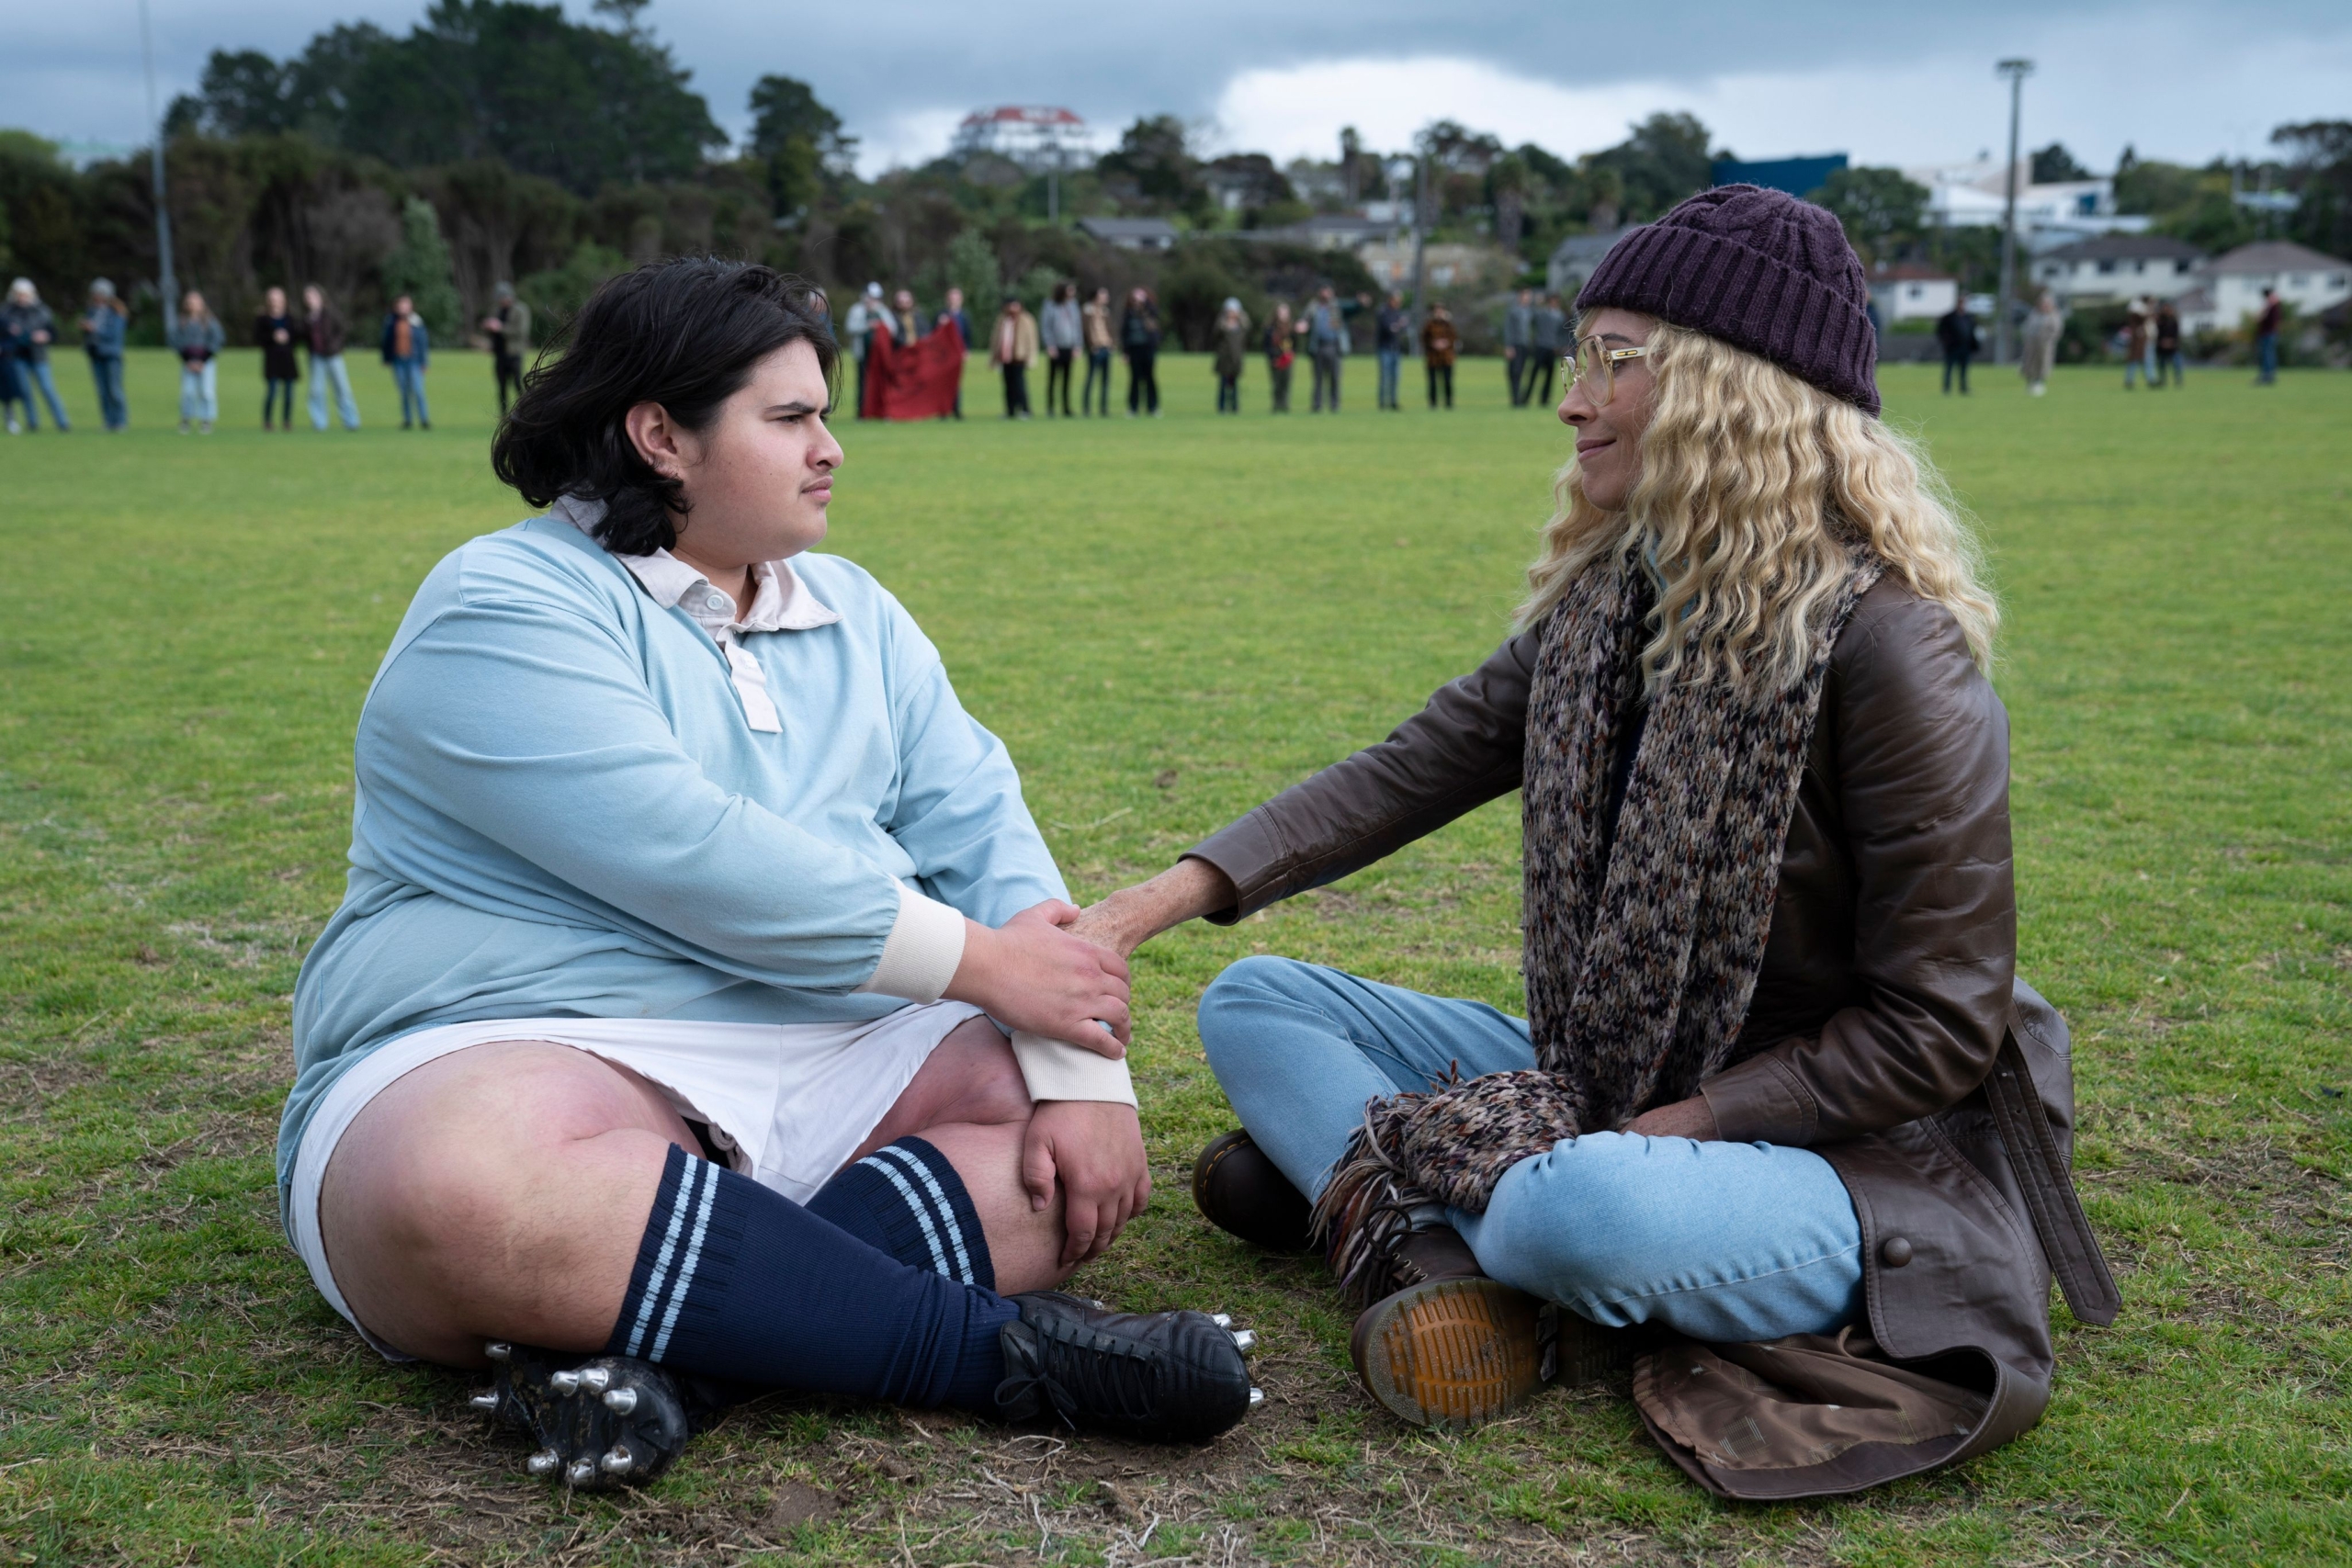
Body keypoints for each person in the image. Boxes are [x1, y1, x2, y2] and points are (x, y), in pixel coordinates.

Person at [1073, 186, 2114, 1499]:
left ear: (1743, 393)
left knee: (1578, 1207)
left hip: (1856, 1159)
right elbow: (1405, 769)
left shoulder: (1895, 650)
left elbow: (1938, 1030)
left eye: (1620, 358)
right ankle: (1444, 1259)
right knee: (1257, 1001)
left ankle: (1399, 1207)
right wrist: (1133, 910)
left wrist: (1668, 1132)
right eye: (1585, 356)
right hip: (1610, 1078)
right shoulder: (1612, 607)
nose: (1575, 397)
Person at [287, 257, 1261, 1495]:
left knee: (1049, 1138)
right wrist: (983, 965)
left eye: (826, 414)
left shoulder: (856, 609)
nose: (833, 448)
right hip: (540, 1041)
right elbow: (688, 852)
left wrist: (1083, 1071)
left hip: (830, 1041)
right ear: (660, 436)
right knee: (458, 1185)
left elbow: (986, 831)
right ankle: (996, 1355)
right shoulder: (504, 600)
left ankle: (687, 1362)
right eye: (790, 417)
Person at [3, 279, 73, 432]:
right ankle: (32, 422)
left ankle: (62, 422)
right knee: (25, 390)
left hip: (38, 355)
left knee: (47, 388)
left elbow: (53, 333)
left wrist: (45, 336)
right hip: (18, 355)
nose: (22, 297)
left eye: (25, 294)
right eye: (19, 294)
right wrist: (14, 334)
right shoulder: (8, 311)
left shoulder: (41, 310)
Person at [304, 284, 361, 431]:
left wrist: (335, 347)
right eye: (308, 297)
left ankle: (351, 421)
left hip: (333, 356)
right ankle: (320, 422)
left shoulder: (330, 313)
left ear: (321, 297)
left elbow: (342, 331)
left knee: (342, 389)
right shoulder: (308, 318)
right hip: (316, 357)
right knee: (316, 391)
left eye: (313, 296)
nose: (310, 300)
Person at [173, 290, 226, 434]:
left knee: (207, 392)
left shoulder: (210, 322)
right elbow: (176, 342)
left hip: (206, 363)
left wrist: (203, 360)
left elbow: (217, 340)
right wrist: (188, 360)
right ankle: (186, 419)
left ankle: (206, 420)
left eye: (196, 302)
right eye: (190, 302)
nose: (193, 305)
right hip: (188, 363)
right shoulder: (182, 322)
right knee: (188, 392)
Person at [81, 279, 130, 431]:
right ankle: (108, 422)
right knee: (102, 391)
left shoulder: (117, 312)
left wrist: (94, 329)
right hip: (96, 355)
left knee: (114, 390)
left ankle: (120, 421)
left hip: (111, 356)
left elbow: (114, 334)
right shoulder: (91, 311)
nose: (97, 296)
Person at [381, 294, 432, 429]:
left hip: (414, 360)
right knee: (404, 391)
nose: (403, 307)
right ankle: (408, 420)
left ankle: (424, 419)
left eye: (406, 304)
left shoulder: (416, 321)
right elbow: (386, 341)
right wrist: (386, 358)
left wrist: (424, 362)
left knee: (418, 390)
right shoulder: (391, 321)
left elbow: (422, 343)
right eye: (400, 305)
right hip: (398, 360)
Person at [483, 283, 534, 416]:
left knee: (518, 383)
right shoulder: (497, 310)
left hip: (514, 353)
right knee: (501, 386)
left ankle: (525, 410)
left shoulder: (520, 310)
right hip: (500, 353)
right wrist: (489, 327)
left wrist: (500, 328)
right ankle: (503, 414)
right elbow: (494, 332)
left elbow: (522, 331)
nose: (501, 301)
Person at [255, 287, 302, 431]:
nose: (276, 302)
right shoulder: (263, 319)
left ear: (284, 301)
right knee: (272, 392)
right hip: (272, 360)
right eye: (273, 299)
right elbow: (258, 338)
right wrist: (273, 337)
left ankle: (287, 421)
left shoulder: (290, 318)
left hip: (287, 360)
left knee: (289, 394)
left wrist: (288, 337)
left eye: (279, 299)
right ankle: (267, 421)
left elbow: (298, 336)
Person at [988, 294, 1037, 419]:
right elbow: (996, 339)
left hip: (1019, 357)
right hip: (1005, 357)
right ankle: (1010, 410)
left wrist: (1030, 356)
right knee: (1008, 385)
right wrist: (994, 356)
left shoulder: (1026, 319)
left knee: (1019, 384)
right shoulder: (1002, 320)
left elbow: (1031, 339)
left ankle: (1025, 409)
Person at [1038, 282, 1080, 418]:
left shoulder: (1073, 306)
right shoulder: (1050, 305)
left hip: (1069, 347)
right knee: (1052, 379)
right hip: (1056, 347)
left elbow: (1077, 327)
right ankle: (1050, 407)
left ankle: (1066, 407)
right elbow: (1046, 326)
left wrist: (1077, 345)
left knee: (1067, 379)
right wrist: (1050, 345)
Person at [844, 282, 885, 417]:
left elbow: (892, 327)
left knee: (880, 382)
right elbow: (850, 328)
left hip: (879, 355)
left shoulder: (881, 310)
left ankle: (880, 410)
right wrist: (867, 326)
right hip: (863, 353)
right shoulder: (856, 310)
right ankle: (862, 412)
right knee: (863, 382)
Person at [1121, 288, 1161, 417]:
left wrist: (1145, 302)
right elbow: (1124, 334)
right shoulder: (1128, 313)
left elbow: (1156, 316)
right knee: (1134, 379)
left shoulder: (1150, 312)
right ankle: (1133, 408)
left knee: (1150, 378)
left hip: (1148, 349)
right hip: (1134, 350)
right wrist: (1125, 352)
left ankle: (1153, 407)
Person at [935, 288, 975, 421]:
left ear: (961, 300)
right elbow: (934, 334)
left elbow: (968, 335)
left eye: (956, 299)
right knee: (943, 382)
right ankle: (943, 411)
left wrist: (967, 350)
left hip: (958, 354)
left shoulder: (964, 316)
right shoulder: (941, 315)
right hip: (944, 354)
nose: (954, 301)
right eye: (951, 298)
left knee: (956, 383)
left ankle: (956, 410)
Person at [1305, 287, 1346, 413]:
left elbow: (1352, 307)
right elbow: (1305, 320)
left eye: (1329, 291)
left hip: (1333, 346)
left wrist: (1360, 302)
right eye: (1324, 291)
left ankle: (1334, 404)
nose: (1327, 294)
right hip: (1318, 347)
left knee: (1334, 377)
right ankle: (1317, 405)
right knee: (1318, 378)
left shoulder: (1337, 307)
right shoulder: (1313, 307)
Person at [1526, 293, 1568, 407]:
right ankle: (1525, 398)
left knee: (1549, 376)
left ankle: (1544, 400)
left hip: (1552, 348)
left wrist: (1560, 345)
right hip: (1541, 346)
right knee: (1534, 374)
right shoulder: (1542, 313)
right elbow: (1532, 316)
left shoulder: (1560, 315)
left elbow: (1562, 333)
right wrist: (1537, 303)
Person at [2019, 290, 2062, 397]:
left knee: (2043, 363)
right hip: (2032, 343)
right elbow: (2027, 327)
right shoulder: (2034, 313)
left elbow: (2056, 330)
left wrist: (2048, 338)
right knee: (2029, 363)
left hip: (2045, 344)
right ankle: (2030, 383)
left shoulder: (2053, 315)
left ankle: (2039, 383)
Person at [1080, 287, 1114, 417]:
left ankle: (1104, 409)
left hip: (1106, 347)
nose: (1106, 298)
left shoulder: (1105, 311)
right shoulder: (1087, 311)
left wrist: (1112, 343)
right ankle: (1087, 408)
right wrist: (1090, 345)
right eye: (1103, 295)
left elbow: (1110, 329)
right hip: (1095, 349)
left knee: (1106, 380)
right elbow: (1085, 329)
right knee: (1091, 378)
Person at [1374, 292, 1409, 411]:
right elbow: (1389, 329)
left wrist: (1399, 326)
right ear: (1390, 300)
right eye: (1396, 300)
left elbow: (1401, 328)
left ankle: (1393, 401)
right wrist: (1399, 325)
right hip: (1385, 349)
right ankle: (1383, 402)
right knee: (1385, 377)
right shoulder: (1383, 312)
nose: (1398, 303)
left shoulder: (1397, 313)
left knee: (1395, 377)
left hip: (1396, 349)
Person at [1936, 294, 1977, 395]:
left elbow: (1972, 331)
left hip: (1965, 347)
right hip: (1953, 347)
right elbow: (1941, 331)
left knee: (1964, 369)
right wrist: (1947, 342)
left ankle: (1963, 387)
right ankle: (1947, 388)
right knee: (1949, 368)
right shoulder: (1949, 317)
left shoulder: (1968, 317)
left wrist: (1973, 344)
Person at [1213, 298, 1248, 413]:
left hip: (1236, 359)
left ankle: (1234, 406)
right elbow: (1215, 334)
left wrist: (1241, 318)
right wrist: (1224, 325)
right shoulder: (1222, 324)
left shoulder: (1241, 324)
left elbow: (1247, 328)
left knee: (1235, 385)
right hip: (1224, 359)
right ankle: (1221, 407)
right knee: (1223, 384)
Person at [1419, 303, 1458, 409]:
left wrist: (1445, 343)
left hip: (1446, 357)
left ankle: (1448, 402)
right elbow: (1423, 338)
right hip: (1433, 358)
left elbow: (1454, 337)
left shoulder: (1448, 325)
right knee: (1432, 382)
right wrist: (1433, 343)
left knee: (1447, 380)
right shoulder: (1429, 325)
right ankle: (1433, 403)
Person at [1502, 288, 1535, 406]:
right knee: (1514, 372)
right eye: (1525, 295)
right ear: (1520, 296)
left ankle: (1522, 399)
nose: (1527, 298)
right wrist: (1508, 346)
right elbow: (1508, 329)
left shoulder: (1531, 311)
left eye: (1529, 296)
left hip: (1526, 345)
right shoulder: (1513, 311)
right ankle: (1515, 399)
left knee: (1522, 371)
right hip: (1515, 345)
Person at [1262, 301, 1296, 413]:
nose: (1283, 314)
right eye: (1281, 312)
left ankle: (1285, 404)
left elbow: (1295, 344)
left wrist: (1290, 356)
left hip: (1287, 359)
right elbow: (1266, 346)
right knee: (1276, 383)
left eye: (1285, 312)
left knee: (1286, 383)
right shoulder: (1270, 329)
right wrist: (1273, 357)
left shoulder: (1291, 329)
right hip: (1276, 359)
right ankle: (1276, 405)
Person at [2120, 299, 2151, 390]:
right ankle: (2131, 380)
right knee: (2137, 363)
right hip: (2136, 351)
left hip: (2137, 351)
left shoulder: (2137, 326)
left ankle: (2132, 380)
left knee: (2139, 363)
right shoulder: (2138, 327)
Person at [2253, 288, 2281, 385]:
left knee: (2267, 355)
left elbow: (2260, 318)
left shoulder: (2273, 308)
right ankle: (2267, 374)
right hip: (2266, 334)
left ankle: (2267, 375)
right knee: (2267, 354)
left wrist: (2262, 315)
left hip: (2268, 333)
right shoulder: (2269, 307)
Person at [2154, 299, 2184, 388]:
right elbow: (2157, 333)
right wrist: (2162, 342)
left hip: (2173, 347)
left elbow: (2176, 333)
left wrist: (2171, 341)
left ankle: (2178, 380)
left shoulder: (2174, 320)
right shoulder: (2160, 321)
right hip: (2162, 347)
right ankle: (2162, 380)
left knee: (2177, 364)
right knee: (2162, 365)